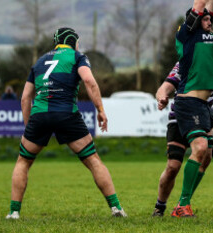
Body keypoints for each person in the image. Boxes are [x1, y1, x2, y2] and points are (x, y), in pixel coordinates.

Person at [7, 27, 126, 219]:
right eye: (78, 42)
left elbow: (24, 98)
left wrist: (30, 125)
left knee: (23, 162)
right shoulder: (77, 56)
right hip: (66, 115)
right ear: (72, 41)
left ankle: (14, 212)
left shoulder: (39, 62)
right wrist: (101, 110)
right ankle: (116, 208)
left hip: (39, 116)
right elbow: (90, 81)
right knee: (93, 160)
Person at [153, 57, 213, 217]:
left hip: (206, 115)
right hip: (181, 116)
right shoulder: (186, 62)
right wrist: (162, 97)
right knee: (173, 167)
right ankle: (160, 207)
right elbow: (165, 87)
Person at [169, 0, 213, 218]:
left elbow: (209, 2)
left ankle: (184, 202)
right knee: (199, 148)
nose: (209, 19)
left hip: (203, 105)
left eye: (210, 18)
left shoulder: (208, 32)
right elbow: (200, 3)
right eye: (204, 18)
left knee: (208, 154)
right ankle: (181, 205)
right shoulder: (188, 34)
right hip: (188, 100)